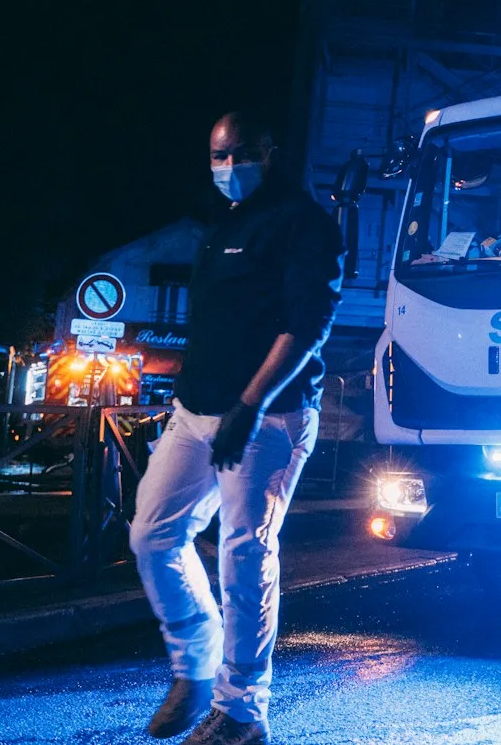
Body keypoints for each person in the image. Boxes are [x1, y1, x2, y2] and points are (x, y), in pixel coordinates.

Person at [130, 111, 344, 745]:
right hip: (194, 411)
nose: (226, 168)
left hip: (268, 416)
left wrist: (248, 405)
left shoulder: (305, 224)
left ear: (268, 153)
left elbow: (307, 325)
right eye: (217, 156)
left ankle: (243, 711)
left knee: (246, 554)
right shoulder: (224, 223)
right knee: (152, 535)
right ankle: (195, 667)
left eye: (238, 155)